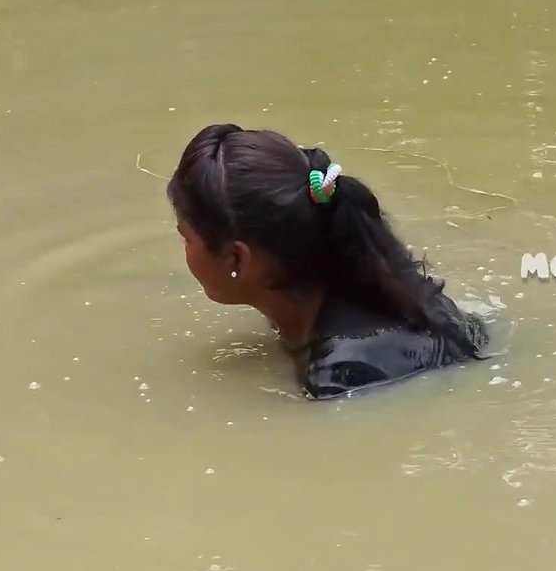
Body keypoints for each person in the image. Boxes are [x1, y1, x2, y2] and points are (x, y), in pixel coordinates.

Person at [167, 123, 491, 400]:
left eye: (186, 237)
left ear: (238, 258)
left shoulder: (339, 376)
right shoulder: (387, 287)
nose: (184, 248)